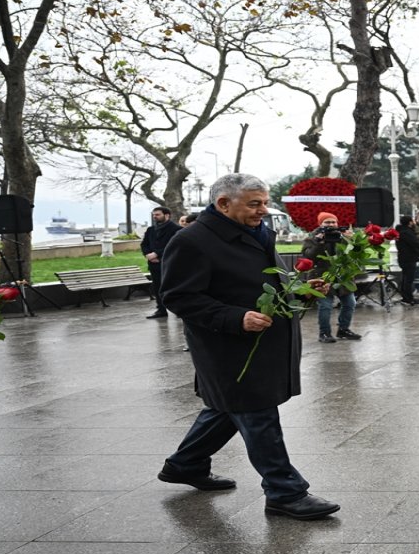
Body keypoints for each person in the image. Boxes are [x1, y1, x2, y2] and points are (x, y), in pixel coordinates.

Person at [156, 173, 339, 520]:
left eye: (264, 202)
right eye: (255, 204)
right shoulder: (191, 241)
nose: (263, 210)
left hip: (263, 340)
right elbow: (178, 297)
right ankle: (285, 492)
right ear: (224, 203)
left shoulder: (256, 231)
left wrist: (298, 288)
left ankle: (186, 464)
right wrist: (235, 318)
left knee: (228, 407)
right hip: (227, 346)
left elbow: (264, 277)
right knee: (256, 411)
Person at [302, 213, 362, 343]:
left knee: (350, 303)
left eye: (333, 222)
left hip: (342, 275)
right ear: (320, 224)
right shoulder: (312, 238)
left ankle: (343, 330)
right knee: (325, 306)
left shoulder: (342, 235)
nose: (330, 225)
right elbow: (308, 257)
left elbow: (355, 253)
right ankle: (324, 333)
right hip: (322, 276)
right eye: (327, 222)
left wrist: (351, 240)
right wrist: (319, 242)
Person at [142, 206, 182, 319]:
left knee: (174, 287)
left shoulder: (177, 229)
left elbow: (175, 246)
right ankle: (161, 310)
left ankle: (180, 309)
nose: (155, 217)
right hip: (154, 264)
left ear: (167, 215)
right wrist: (148, 255)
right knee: (157, 287)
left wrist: (157, 254)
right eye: (154, 215)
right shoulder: (150, 230)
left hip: (170, 264)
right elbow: (144, 244)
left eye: (158, 214)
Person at [394, 215, 419, 305]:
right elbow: (414, 243)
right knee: (408, 280)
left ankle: (405, 297)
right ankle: (408, 299)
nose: (414, 222)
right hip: (408, 258)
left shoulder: (400, 231)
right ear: (410, 222)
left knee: (405, 278)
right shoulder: (406, 232)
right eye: (413, 221)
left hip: (403, 257)